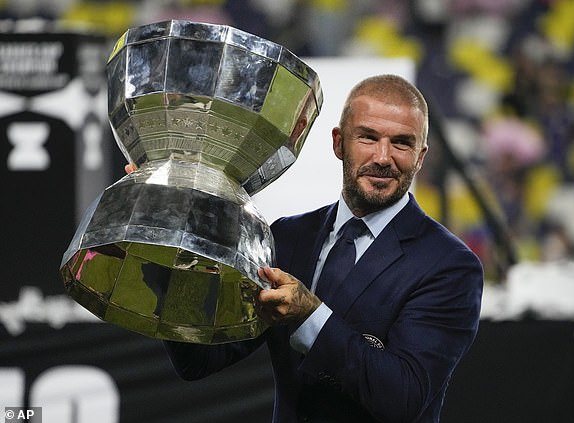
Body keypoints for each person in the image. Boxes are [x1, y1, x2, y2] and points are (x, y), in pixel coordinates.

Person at [139, 74, 483, 422]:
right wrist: (166, 242)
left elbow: (402, 398)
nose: (383, 156)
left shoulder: (449, 265)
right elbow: (201, 360)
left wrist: (310, 314)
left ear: (420, 157)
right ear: (339, 143)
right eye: (367, 137)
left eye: (401, 143)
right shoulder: (288, 237)